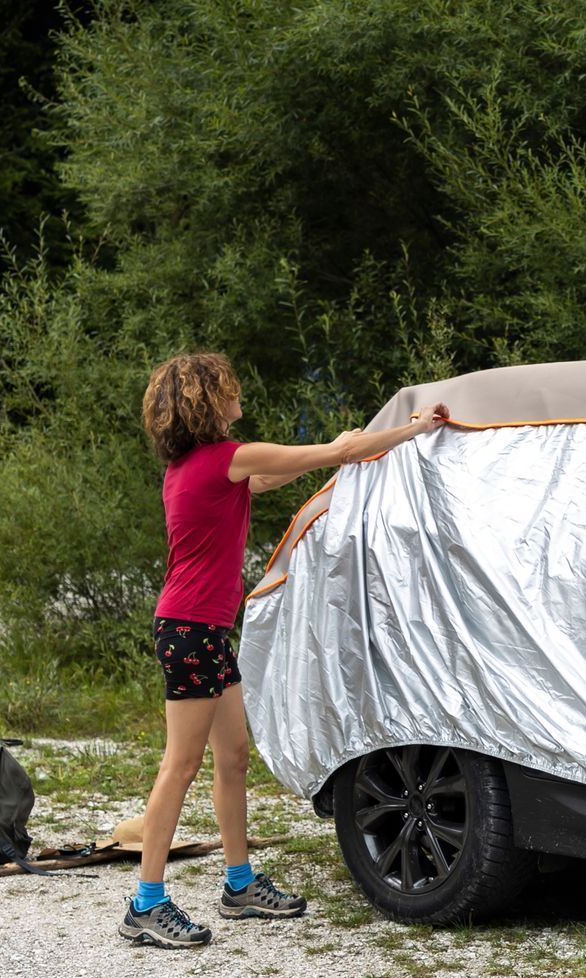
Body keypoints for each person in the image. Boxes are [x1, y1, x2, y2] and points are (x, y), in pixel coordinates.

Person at [125, 352, 448, 948]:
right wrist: (416, 427)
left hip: (200, 630)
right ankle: (146, 903)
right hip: (191, 630)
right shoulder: (226, 457)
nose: (237, 391)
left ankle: (239, 884)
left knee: (233, 758)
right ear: (208, 400)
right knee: (182, 765)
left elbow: (278, 474)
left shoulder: (196, 466)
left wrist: (335, 453)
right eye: (229, 386)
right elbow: (336, 453)